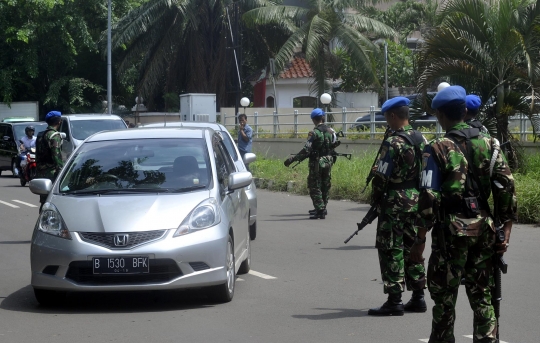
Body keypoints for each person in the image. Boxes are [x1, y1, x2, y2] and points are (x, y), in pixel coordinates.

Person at [412, 86, 517, 343]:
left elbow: (428, 197)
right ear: (466, 111)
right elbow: (506, 187)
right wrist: (505, 230)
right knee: (482, 294)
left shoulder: (436, 148)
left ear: (439, 115)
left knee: (444, 298)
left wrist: (420, 240)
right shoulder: (490, 144)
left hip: (450, 233)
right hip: (485, 230)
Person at [367, 97, 428, 316]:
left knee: (391, 247)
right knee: (412, 247)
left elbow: (381, 176)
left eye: (387, 118)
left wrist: (375, 200)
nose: (387, 123)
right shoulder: (421, 139)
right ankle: (419, 297)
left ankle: (394, 300)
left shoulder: (393, 142)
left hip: (394, 201)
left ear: (393, 116)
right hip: (416, 199)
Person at [283, 108, 335, 219]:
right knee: (325, 184)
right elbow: (334, 145)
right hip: (328, 161)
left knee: (314, 185)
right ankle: (322, 207)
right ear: (323, 118)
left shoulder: (314, 133)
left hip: (317, 163)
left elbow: (306, 150)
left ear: (313, 120)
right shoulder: (331, 131)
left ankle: (320, 209)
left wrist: (293, 159)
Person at [36, 111, 65, 211]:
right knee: (53, 201)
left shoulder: (40, 135)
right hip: (51, 173)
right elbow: (56, 156)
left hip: (40, 173)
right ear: (59, 122)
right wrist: (62, 172)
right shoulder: (54, 136)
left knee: (44, 201)